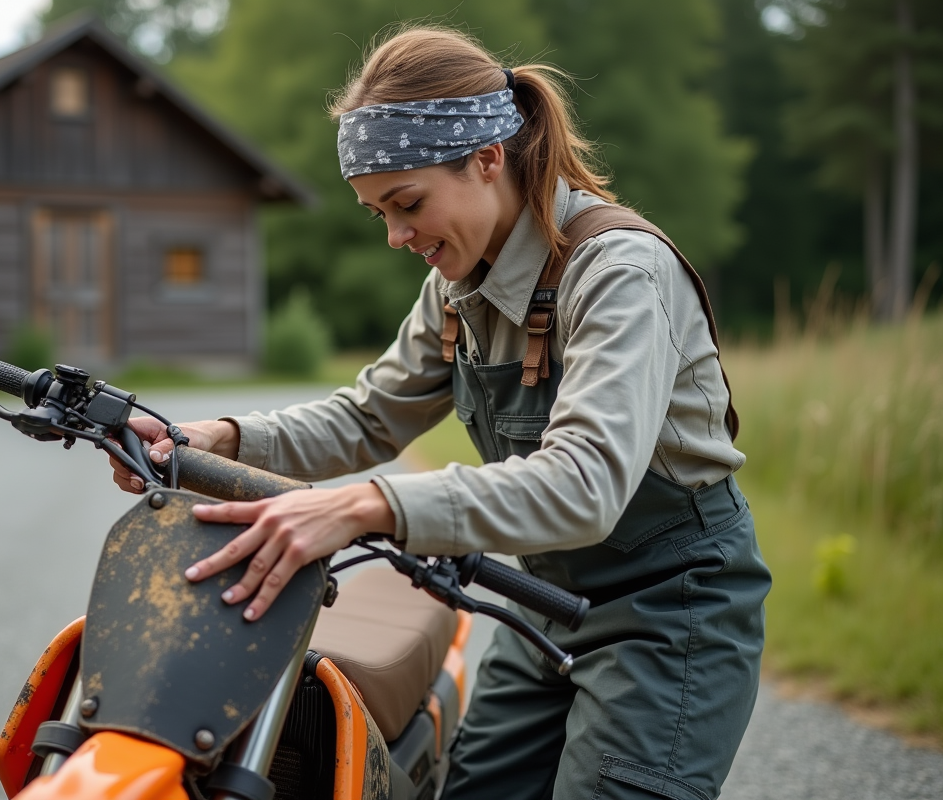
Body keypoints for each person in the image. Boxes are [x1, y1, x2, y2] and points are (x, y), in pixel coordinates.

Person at [110, 26, 770, 800]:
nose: (396, 236)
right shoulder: (457, 288)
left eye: (407, 203)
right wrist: (217, 440)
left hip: (672, 606)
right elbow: (367, 418)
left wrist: (366, 506)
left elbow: (586, 483)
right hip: (550, 605)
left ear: (488, 159)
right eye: (376, 213)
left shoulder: (620, 274)